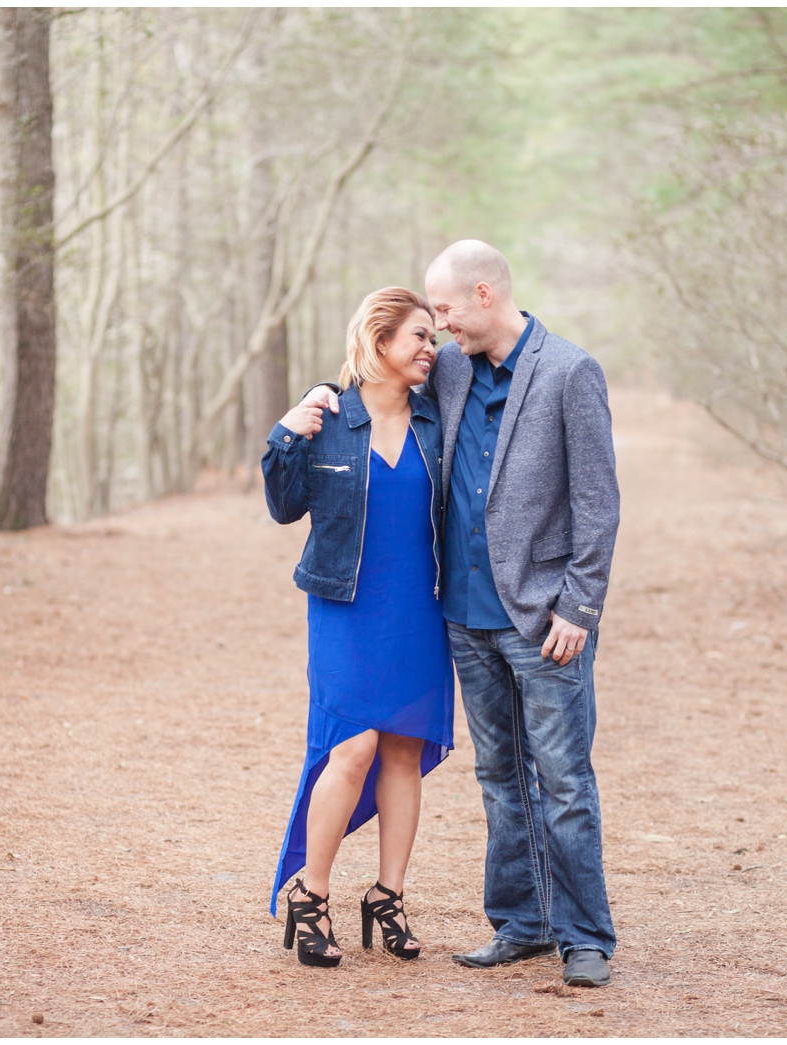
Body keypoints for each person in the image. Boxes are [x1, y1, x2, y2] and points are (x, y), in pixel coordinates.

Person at [295, 240, 620, 987]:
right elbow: (372, 375)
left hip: (545, 620)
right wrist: (310, 401)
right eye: (428, 319)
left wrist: (580, 604)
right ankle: (522, 922)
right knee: (500, 777)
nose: (435, 328)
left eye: (442, 310)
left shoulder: (570, 372)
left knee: (564, 779)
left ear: (482, 294)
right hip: (463, 617)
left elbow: (599, 506)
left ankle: (584, 934)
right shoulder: (448, 370)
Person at [263, 287, 455, 969]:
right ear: (379, 342)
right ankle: (310, 895)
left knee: (403, 750)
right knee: (353, 746)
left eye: (434, 338)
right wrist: (285, 433)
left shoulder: (437, 422)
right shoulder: (330, 416)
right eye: (419, 338)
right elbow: (284, 507)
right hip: (346, 607)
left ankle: (388, 896)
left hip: (419, 606)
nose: (431, 350)